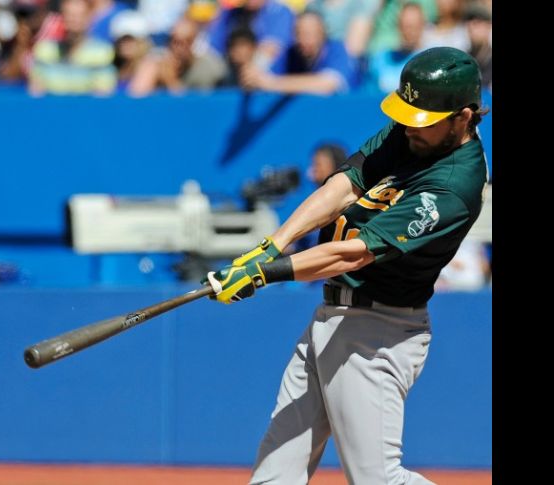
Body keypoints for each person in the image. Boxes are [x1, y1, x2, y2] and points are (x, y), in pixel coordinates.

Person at [204, 46, 488, 484]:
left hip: (378, 333)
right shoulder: (411, 132)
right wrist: (272, 244)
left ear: (463, 116)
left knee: (378, 479)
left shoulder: (453, 185)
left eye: (424, 121)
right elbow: (345, 185)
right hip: (334, 317)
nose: (411, 127)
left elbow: (354, 251)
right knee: (275, 474)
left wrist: (267, 273)